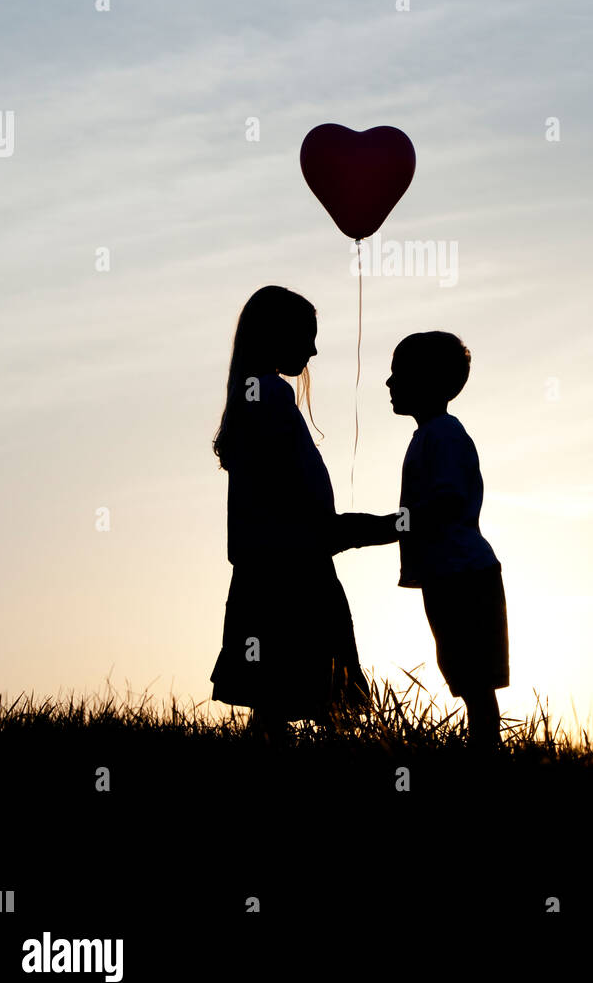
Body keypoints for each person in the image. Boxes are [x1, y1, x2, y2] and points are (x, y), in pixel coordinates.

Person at [335, 331, 509, 750]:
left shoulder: (443, 434)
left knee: (473, 679)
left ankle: (487, 760)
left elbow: (446, 502)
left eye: (399, 374)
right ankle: (485, 757)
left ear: (428, 381)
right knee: (466, 675)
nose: (389, 383)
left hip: (463, 574)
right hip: (452, 573)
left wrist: (383, 527)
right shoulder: (433, 434)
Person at [210, 285, 369, 743]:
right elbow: (289, 481)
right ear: (277, 335)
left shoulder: (254, 394)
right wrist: (333, 528)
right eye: (307, 335)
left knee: (272, 696)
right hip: (292, 564)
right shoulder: (268, 396)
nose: (315, 349)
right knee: (319, 693)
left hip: (269, 562)